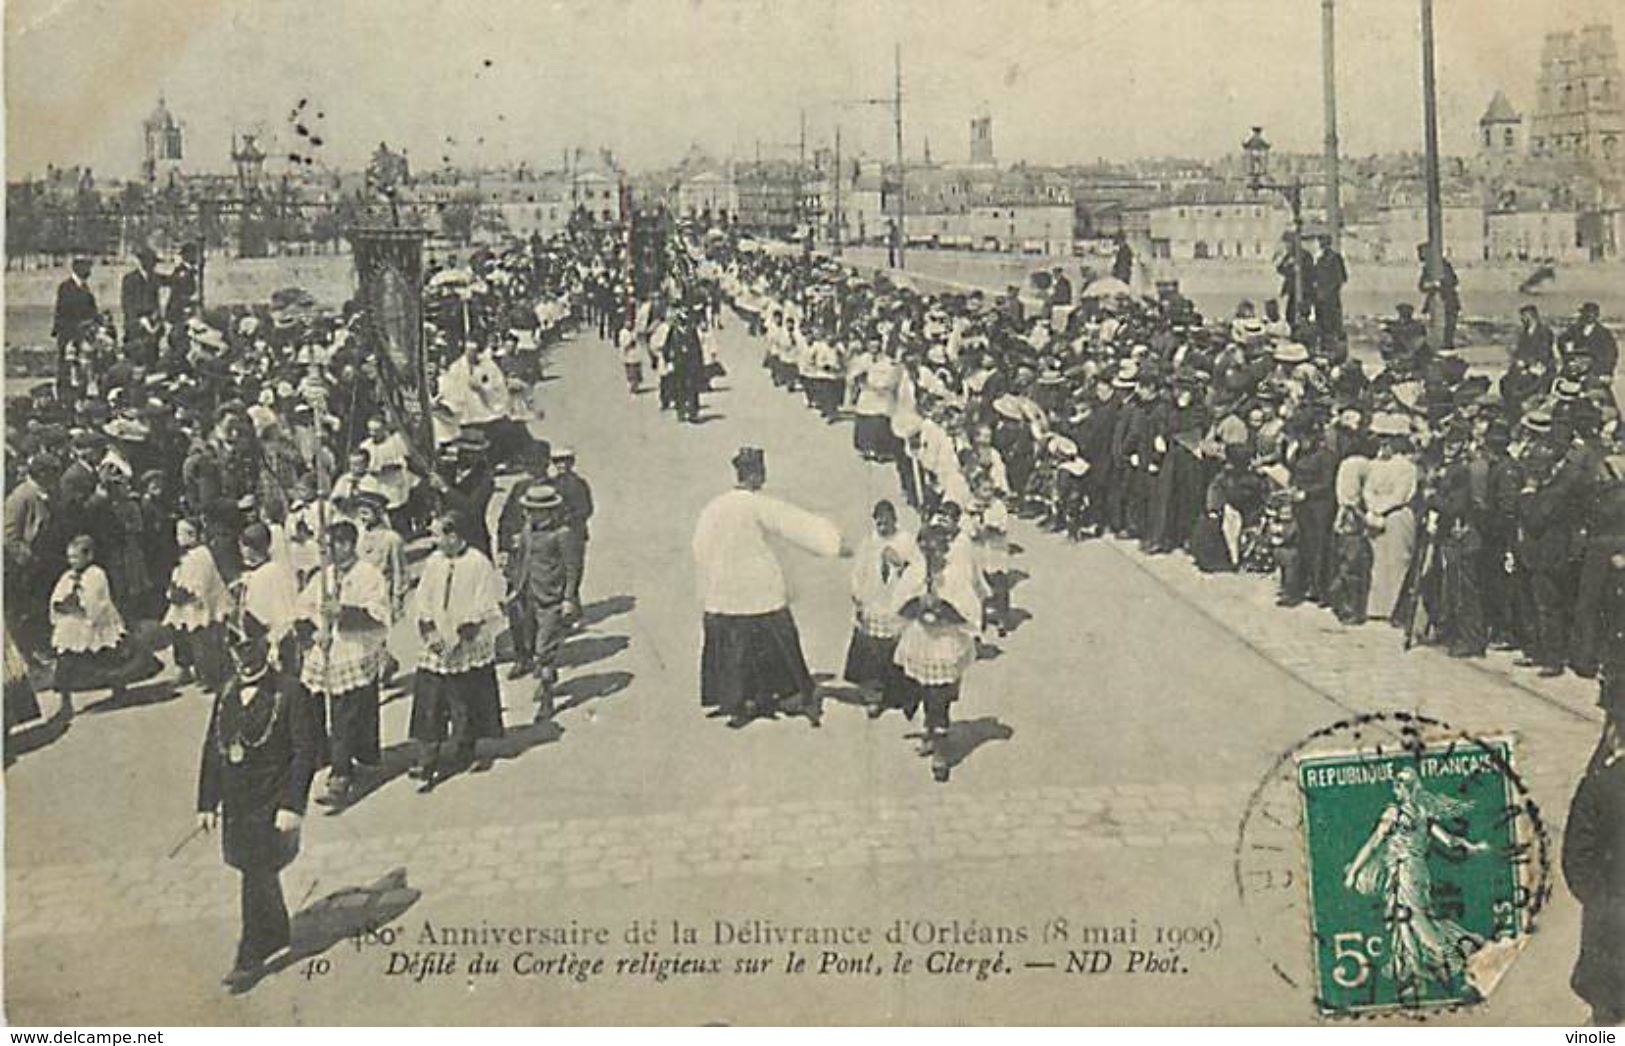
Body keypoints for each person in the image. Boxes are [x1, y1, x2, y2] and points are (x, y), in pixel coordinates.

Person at [195, 612, 321, 994]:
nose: (243, 659)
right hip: (237, 803)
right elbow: (213, 749)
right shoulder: (227, 692)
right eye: (237, 651)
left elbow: (305, 752)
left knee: (256, 872)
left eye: (250, 650)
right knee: (255, 871)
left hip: (272, 801)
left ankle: (249, 955)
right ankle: (276, 933)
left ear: (266, 649)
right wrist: (205, 802)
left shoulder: (290, 691)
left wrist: (292, 805)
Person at [692, 446, 848, 729]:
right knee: (773, 637)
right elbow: (795, 525)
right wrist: (833, 544)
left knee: (735, 646)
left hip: (725, 590)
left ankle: (738, 700)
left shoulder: (714, 507)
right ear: (753, 475)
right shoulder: (758, 504)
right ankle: (783, 692)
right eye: (761, 473)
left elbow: (699, 546)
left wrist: (714, 574)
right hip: (757, 588)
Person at [1342, 766, 1490, 991]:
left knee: (1418, 923)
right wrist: (1474, 847)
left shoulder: (1395, 813)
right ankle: (1415, 974)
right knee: (1404, 922)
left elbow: (1373, 844)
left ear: (1407, 788)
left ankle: (1461, 958)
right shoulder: (1423, 813)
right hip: (1416, 872)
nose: (1396, 788)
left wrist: (1354, 872)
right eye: (1396, 784)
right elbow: (1449, 841)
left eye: (1400, 784)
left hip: (1406, 872)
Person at [295, 521, 389, 808]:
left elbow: (379, 615)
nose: (326, 553)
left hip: (354, 647)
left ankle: (341, 773)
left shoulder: (369, 575)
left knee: (347, 711)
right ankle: (326, 755)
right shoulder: (324, 576)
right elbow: (303, 606)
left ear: (347, 544)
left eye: (330, 546)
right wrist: (313, 630)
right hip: (325, 648)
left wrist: (344, 613)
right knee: (313, 704)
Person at [408, 512, 506, 789]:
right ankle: (428, 756)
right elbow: (422, 598)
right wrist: (430, 630)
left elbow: (486, 603)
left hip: (466, 641)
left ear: (455, 536)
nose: (434, 540)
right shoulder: (434, 562)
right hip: (437, 642)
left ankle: (466, 748)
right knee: (430, 701)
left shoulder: (478, 563)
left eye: (438, 535)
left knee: (466, 699)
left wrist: (464, 634)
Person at [891, 524, 982, 783]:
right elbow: (897, 607)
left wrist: (944, 609)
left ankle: (940, 753)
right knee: (924, 691)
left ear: (946, 549)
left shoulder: (955, 576)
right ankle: (930, 731)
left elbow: (971, 613)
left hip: (944, 643)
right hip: (921, 641)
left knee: (939, 695)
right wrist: (917, 606)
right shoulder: (915, 574)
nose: (932, 556)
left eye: (938, 549)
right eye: (926, 550)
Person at [502, 484, 578, 714]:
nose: (531, 514)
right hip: (527, 596)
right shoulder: (527, 530)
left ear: (550, 511)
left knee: (544, 648)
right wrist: (514, 586)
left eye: (537, 510)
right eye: (529, 509)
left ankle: (547, 697)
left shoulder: (563, 535)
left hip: (551, 598)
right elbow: (523, 559)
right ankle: (548, 673)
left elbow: (573, 568)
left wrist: (569, 598)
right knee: (531, 644)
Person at [843, 500, 919, 719]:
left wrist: (900, 563)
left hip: (895, 604)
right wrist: (858, 599)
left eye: (887, 522)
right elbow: (858, 573)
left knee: (896, 652)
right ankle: (873, 697)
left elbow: (917, 571)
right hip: (874, 603)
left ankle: (897, 693)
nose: (883, 527)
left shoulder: (906, 542)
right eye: (879, 523)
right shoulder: (869, 543)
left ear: (895, 519)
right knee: (872, 654)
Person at [164, 517, 231, 693]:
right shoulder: (184, 555)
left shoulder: (202, 554)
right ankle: (184, 667)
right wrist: (174, 589)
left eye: (182, 533)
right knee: (178, 631)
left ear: (193, 535)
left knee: (203, 638)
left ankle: (211, 675)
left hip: (201, 602)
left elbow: (203, 582)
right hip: (185, 601)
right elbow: (178, 574)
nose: (178, 537)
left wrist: (188, 594)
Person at [1365, 414, 1419, 622]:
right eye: (1381, 438)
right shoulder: (1375, 465)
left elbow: (1400, 494)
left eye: (1388, 439)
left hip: (1397, 516)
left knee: (1397, 561)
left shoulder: (1406, 467)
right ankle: (1377, 607)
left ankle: (1395, 608)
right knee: (1378, 561)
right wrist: (1372, 507)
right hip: (1376, 516)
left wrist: (1380, 507)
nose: (1384, 443)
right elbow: (1368, 489)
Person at [549, 447, 594, 615]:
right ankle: (566, 607)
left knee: (573, 570)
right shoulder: (551, 484)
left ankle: (573, 608)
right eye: (557, 461)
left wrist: (570, 519)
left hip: (575, 533)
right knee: (558, 571)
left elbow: (587, 509)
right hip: (555, 533)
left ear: (571, 463)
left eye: (565, 461)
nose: (561, 465)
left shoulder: (579, 484)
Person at [51, 257, 99, 400]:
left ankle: (79, 394)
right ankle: (64, 396)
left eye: (89, 268)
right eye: (86, 268)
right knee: (67, 366)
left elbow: (92, 311)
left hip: (83, 333)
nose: (89, 271)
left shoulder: (85, 288)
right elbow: (64, 313)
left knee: (82, 366)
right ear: (76, 268)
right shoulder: (66, 288)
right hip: (68, 333)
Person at [121, 246, 164, 367]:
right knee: (135, 361)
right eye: (151, 262)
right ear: (143, 262)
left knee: (152, 358)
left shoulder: (154, 278)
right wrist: (140, 321)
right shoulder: (130, 279)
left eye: (154, 262)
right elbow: (127, 305)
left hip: (152, 326)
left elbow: (156, 301)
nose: (153, 265)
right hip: (136, 327)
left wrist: (156, 319)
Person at [1562, 302, 1620, 385]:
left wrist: (1605, 371)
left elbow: (1612, 355)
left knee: (1598, 393)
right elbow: (1562, 340)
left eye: (1591, 314)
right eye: (1585, 314)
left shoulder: (1604, 334)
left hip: (1596, 370)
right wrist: (1566, 348)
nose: (1587, 316)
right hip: (1575, 368)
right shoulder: (1574, 329)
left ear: (1596, 316)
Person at [1417, 244, 1461, 351]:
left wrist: (1440, 285)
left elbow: (1454, 281)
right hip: (1437, 302)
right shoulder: (1428, 267)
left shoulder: (1444, 265)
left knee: (1448, 328)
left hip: (1449, 301)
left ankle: (1447, 345)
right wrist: (1431, 286)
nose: (1420, 256)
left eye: (1422, 253)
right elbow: (1421, 286)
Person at [1311, 235, 1347, 353]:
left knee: (1332, 326)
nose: (1322, 244)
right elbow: (1314, 277)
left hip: (1331, 300)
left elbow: (1340, 279)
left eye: (1324, 241)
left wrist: (1327, 293)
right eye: (1320, 241)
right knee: (1321, 326)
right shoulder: (1320, 260)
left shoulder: (1335, 258)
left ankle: (1334, 350)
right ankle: (1324, 349)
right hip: (1320, 300)